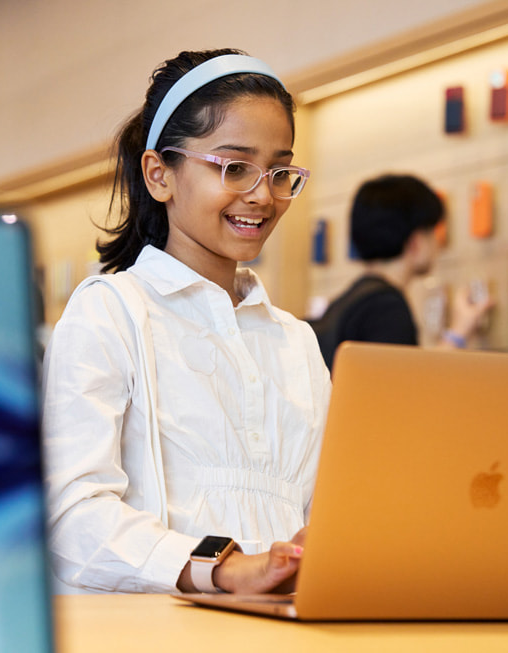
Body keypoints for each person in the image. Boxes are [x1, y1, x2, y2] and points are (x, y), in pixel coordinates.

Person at [41, 49, 331, 595]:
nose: (262, 195)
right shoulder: (111, 309)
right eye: (235, 167)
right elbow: (70, 515)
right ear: (159, 174)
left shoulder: (296, 342)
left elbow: (326, 513)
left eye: (279, 171)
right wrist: (220, 568)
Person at [311, 174, 493, 371]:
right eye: (432, 232)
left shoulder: (346, 303)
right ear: (415, 243)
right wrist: (458, 334)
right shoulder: (386, 307)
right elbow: (407, 386)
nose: (437, 243)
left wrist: (459, 331)